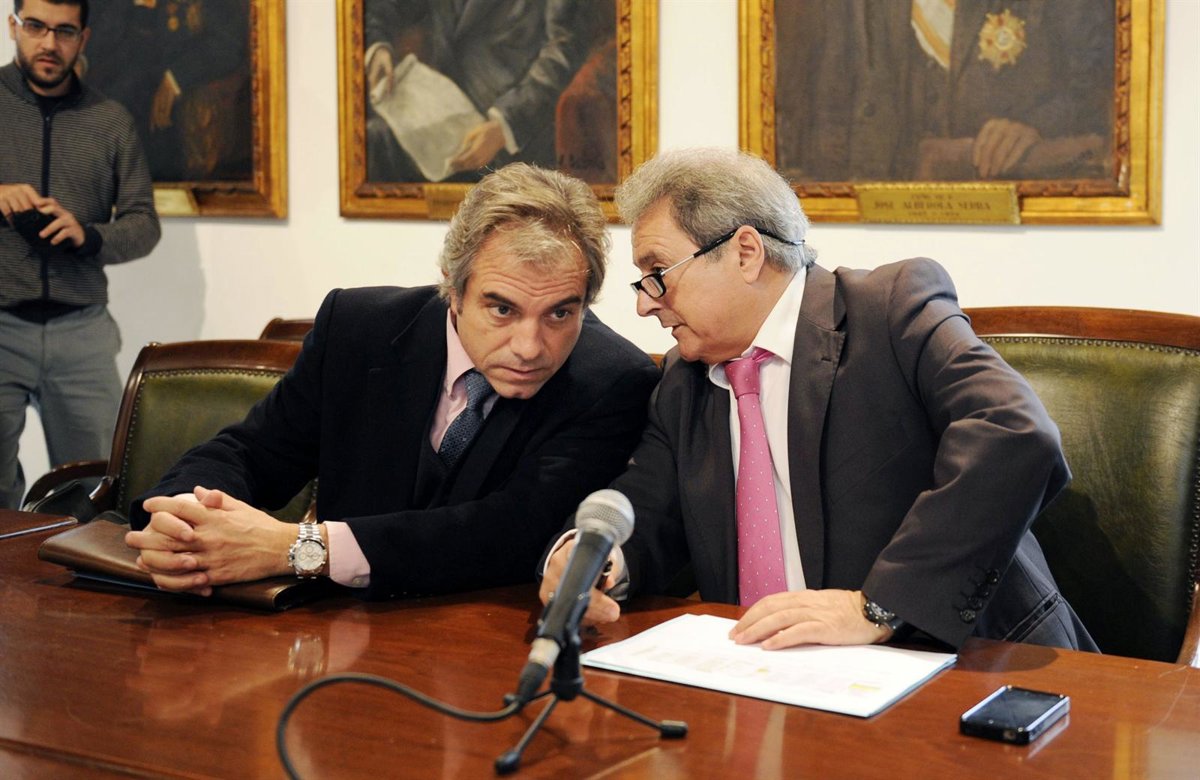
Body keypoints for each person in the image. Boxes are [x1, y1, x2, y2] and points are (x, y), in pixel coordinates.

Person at [540, 148, 1096, 653]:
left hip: (969, 662)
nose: (645, 305)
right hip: (773, 677)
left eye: (657, 273)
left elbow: (1014, 432)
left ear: (746, 252)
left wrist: (878, 606)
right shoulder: (683, 382)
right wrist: (596, 560)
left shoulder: (890, 310)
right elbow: (648, 509)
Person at [125, 163, 660, 600]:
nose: (530, 346)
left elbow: (508, 532)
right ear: (453, 288)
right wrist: (180, 521)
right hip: (329, 636)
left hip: (484, 641)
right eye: (502, 309)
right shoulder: (358, 328)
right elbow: (252, 452)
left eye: (561, 313)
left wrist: (301, 547)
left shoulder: (610, 380)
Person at [0, 0, 161, 509]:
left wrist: (88, 236)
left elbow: (144, 224)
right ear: (13, 26)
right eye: (36, 27)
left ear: (83, 38)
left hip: (82, 331)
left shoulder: (111, 121)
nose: (49, 43)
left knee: (98, 490)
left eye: (64, 31)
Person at [776, 0, 1113, 182]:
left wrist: (1037, 125)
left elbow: (1098, 92)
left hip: (1010, 215)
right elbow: (827, 113)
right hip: (893, 219)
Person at [363, 0, 595, 182]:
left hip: (516, 137)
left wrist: (504, 126)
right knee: (371, 143)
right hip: (440, 118)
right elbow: (385, 6)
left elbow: (565, 48)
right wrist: (377, 46)